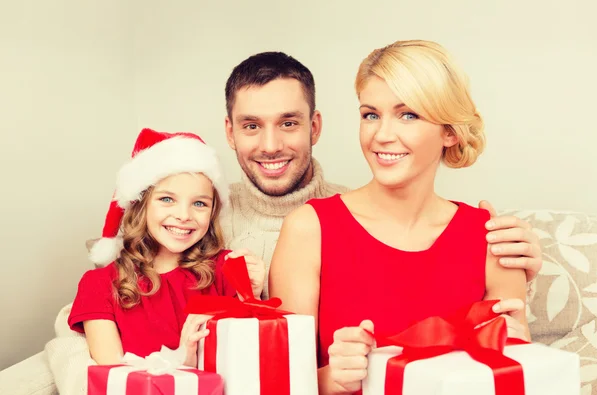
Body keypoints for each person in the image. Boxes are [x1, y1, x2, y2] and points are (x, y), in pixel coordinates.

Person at [38, 51, 542, 395]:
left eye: (289, 123)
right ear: (229, 132)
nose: (272, 145)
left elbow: (516, 360)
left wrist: (522, 274)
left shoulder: (485, 234)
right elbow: (111, 296)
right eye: (371, 114)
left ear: (316, 126)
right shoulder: (197, 217)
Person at [268, 40, 530, 395]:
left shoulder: (492, 240)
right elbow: (282, 385)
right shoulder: (309, 228)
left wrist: (516, 349)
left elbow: (514, 377)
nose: (382, 135)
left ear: (449, 132)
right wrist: (334, 378)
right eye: (370, 115)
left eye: (408, 115)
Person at [68, 127, 265, 368]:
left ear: (212, 212)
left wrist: (251, 296)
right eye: (167, 199)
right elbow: (114, 378)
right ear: (141, 205)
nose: (184, 215)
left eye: (199, 203)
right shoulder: (99, 285)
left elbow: (252, 361)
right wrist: (184, 360)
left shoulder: (225, 268)